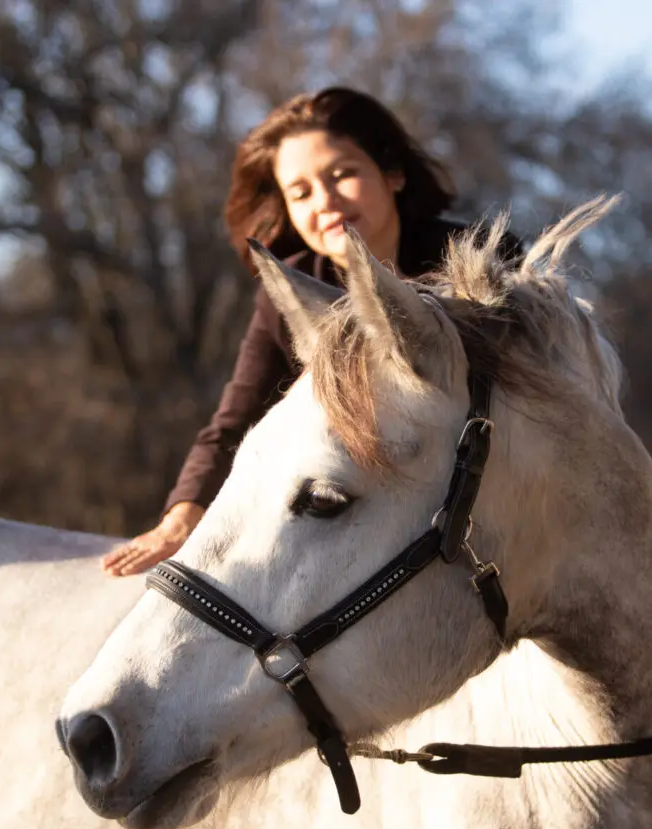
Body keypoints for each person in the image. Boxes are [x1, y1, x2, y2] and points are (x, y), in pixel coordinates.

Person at [101, 85, 524, 577]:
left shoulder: (482, 261)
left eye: (342, 174)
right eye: (300, 192)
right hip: (366, 521)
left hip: (495, 509)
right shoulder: (290, 288)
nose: (325, 201)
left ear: (394, 174)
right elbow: (234, 425)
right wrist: (179, 520)